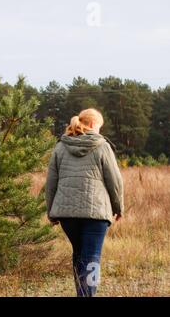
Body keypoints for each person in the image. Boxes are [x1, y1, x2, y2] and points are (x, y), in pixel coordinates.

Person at [45, 108, 124, 297]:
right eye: (99, 126)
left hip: (67, 215)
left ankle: (82, 293)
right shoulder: (102, 145)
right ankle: (88, 295)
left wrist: (51, 212)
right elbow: (115, 180)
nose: (99, 130)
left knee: (79, 255)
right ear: (91, 124)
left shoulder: (61, 146)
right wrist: (118, 207)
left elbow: (50, 182)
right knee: (92, 258)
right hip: (96, 214)